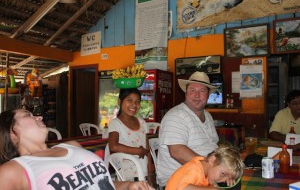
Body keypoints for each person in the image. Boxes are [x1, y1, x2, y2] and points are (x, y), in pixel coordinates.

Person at [0, 109, 154, 190]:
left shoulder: (72, 145)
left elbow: (100, 184)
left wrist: (127, 185)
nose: (39, 117)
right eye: (28, 115)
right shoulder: (14, 170)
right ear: (12, 130)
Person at [157, 71, 220, 186]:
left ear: (208, 95)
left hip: (204, 176)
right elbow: (177, 152)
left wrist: (224, 164)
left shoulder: (208, 115)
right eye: (192, 90)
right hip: (180, 181)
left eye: (202, 91)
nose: (197, 95)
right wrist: (210, 169)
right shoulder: (176, 116)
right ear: (186, 93)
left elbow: (214, 145)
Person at [108, 88, 150, 180]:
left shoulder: (142, 122)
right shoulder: (116, 123)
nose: (134, 105)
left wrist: (150, 174)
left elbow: (147, 149)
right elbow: (113, 146)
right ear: (119, 102)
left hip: (143, 173)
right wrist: (138, 151)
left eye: (137, 101)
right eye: (129, 100)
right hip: (126, 176)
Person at [165, 145, 245, 190]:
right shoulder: (195, 169)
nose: (223, 180)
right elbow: (182, 188)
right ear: (212, 160)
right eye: (223, 174)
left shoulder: (208, 171)